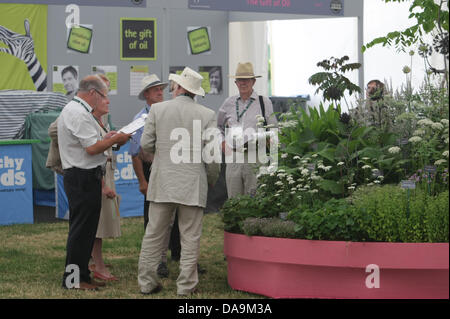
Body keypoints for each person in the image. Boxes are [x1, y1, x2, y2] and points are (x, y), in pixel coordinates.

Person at [138, 67, 220, 296]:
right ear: (194, 91)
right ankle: (186, 286)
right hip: (193, 182)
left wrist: (161, 153)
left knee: (154, 233)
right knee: (190, 236)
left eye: (174, 85)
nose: (172, 89)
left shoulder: (158, 110)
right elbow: (213, 156)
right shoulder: (207, 114)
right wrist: (211, 179)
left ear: (180, 87)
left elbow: (145, 145)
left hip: (163, 179)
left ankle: (146, 282)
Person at [58, 75, 131, 291]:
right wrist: (115, 140)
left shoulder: (80, 111)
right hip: (81, 177)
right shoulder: (78, 113)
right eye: (103, 96)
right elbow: (91, 149)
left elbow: (91, 144)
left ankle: (83, 276)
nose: (105, 100)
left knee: (86, 231)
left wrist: (107, 138)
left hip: (85, 176)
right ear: (93, 93)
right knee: (81, 231)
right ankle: (73, 280)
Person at [130, 74, 180, 278]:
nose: (161, 92)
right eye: (156, 89)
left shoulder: (169, 112)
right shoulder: (140, 119)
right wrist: (143, 181)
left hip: (171, 167)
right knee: (154, 218)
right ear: (147, 95)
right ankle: (156, 261)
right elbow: (135, 154)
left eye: (161, 89)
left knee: (177, 214)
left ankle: (178, 254)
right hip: (152, 169)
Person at [217, 62, 277, 198]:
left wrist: (274, 162)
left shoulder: (264, 102)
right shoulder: (228, 103)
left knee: (254, 198)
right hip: (233, 156)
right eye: (240, 80)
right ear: (236, 83)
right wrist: (222, 144)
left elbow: (273, 130)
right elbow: (217, 127)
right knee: (234, 199)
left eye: (246, 79)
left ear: (253, 81)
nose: (243, 83)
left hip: (256, 156)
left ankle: (252, 220)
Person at [89, 74, 121, 282]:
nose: (108, 99)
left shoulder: (101, 118)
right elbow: (90, 154)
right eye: (104, 94)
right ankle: (97, 264)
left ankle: (93, 259)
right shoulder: (84, 117)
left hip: (105, 172)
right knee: (97, 224)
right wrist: (102, 186)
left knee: (99, 222)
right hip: (96, 175)